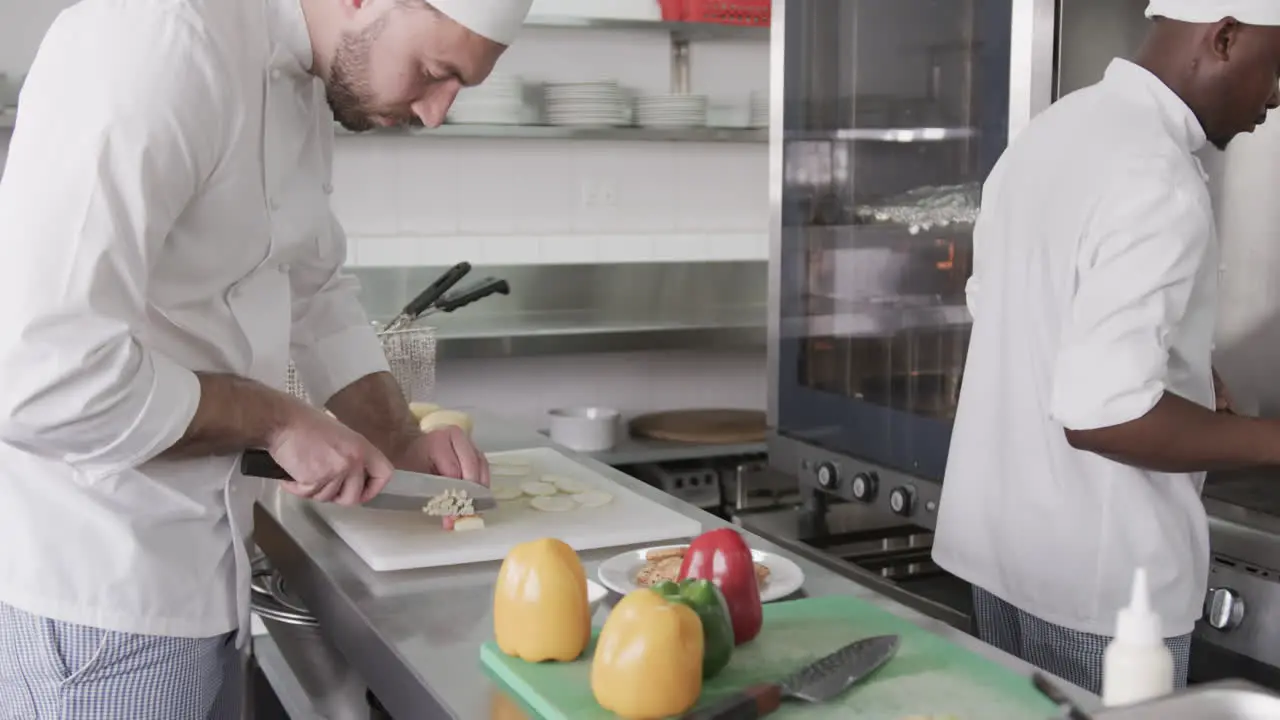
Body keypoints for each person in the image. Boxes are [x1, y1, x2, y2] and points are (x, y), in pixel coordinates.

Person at [0, 0, 533, 716]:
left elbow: (313, 285)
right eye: (436, 72)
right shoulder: (151, 42)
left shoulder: (299, 75)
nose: (436, 111)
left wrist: (398, 436)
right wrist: (278, 420)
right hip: (101, 602)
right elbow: (37, 375)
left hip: (204, 574)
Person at [932, 0, 1280, 695]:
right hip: (1103, 590)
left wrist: (1179, 363)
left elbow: (1016, 313)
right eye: (1278, 67)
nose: (1274, 96)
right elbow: (1103, 415)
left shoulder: (1050, 135)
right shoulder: (1158, 176)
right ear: (1225, 37)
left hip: (1003, 556)